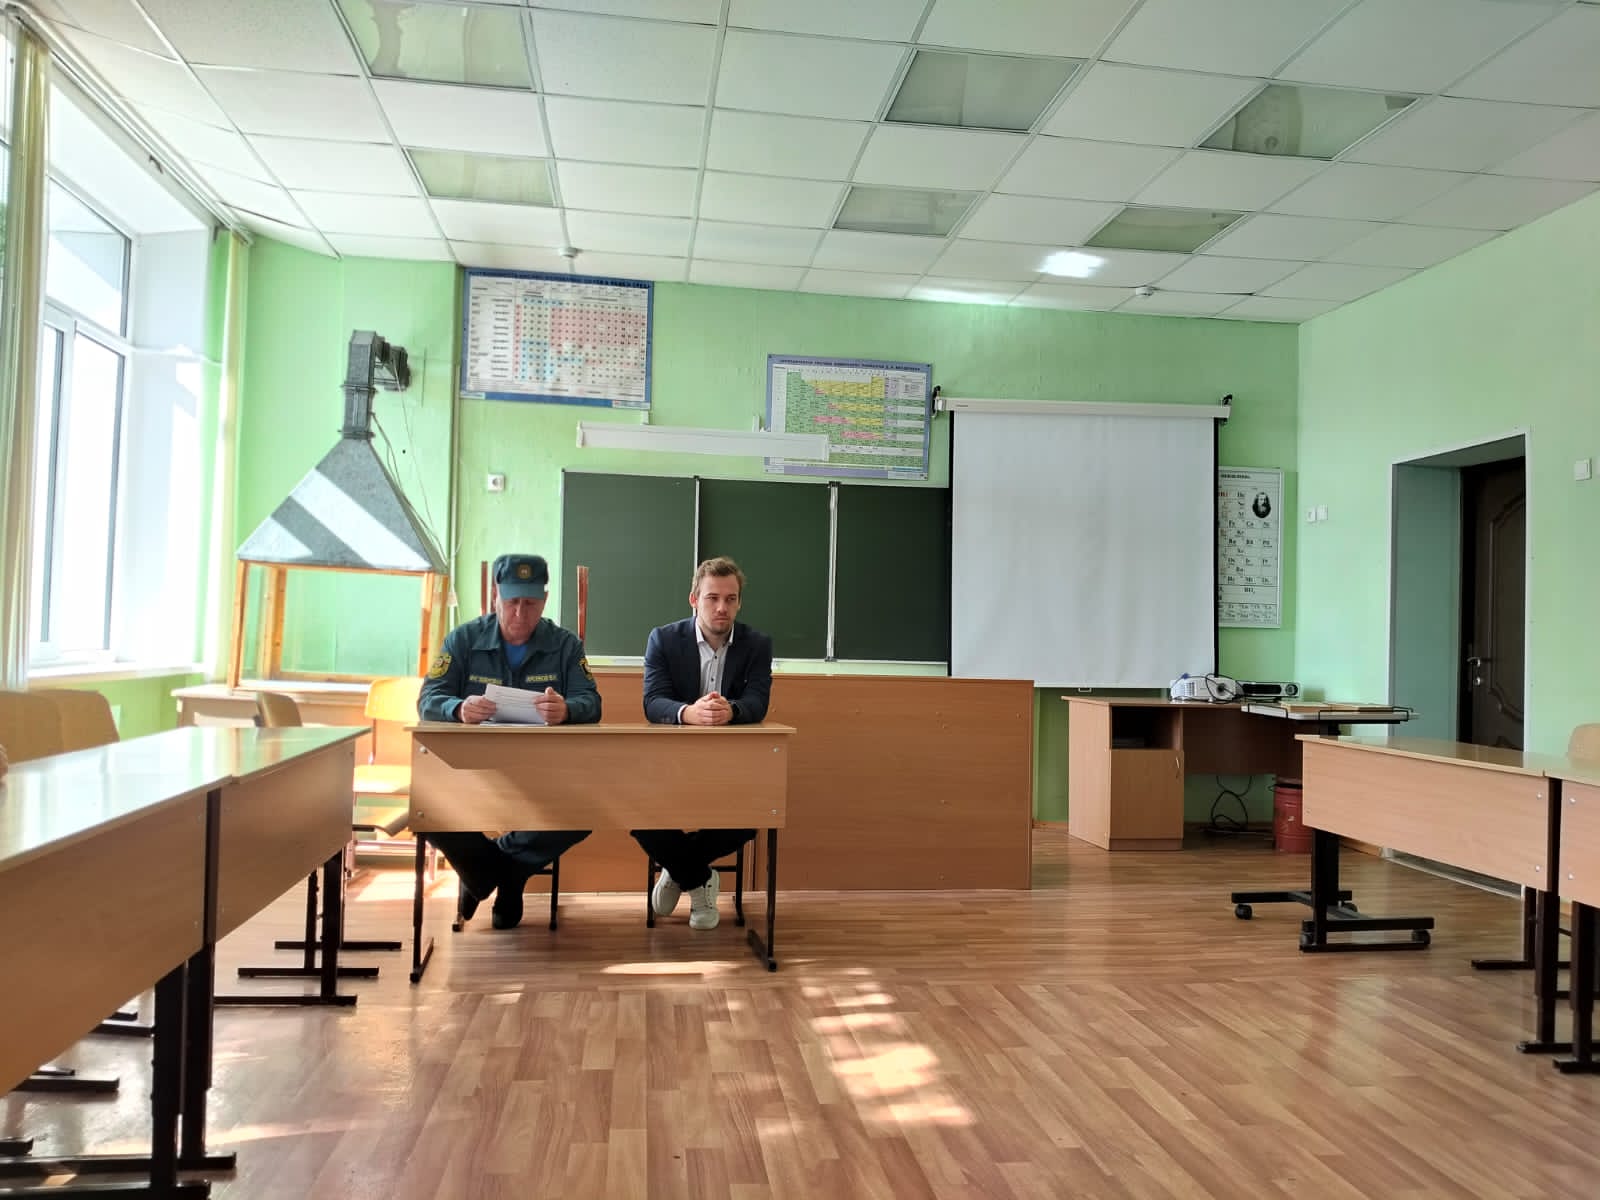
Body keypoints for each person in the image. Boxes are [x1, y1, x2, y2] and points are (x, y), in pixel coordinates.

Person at [418, 553, 600, 928]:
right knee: (425, 810)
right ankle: (504, 876)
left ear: (544, 601)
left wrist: (566, 710)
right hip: (473, 772)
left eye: (530, 603)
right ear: (495, 596)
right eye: (512, 601)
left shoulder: (565, 645)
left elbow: (592, 702)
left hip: (543, 773)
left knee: (585, 814)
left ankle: (489, 873)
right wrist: (458, 708)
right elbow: (428, 699)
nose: (520, 612)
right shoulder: (464, 639)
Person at [634, 556, 772, 931]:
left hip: (730, 767)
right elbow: (653, 702)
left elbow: (758, 701)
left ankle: (678, 869)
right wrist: (687, 713)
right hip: (670, 763)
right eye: (712, 598)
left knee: (753, 815)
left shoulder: (757, 644)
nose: (722, 607)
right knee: (637, 813)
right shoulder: (663, 639)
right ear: (694, 599)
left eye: (730, 599)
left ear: (739, 602)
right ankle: (698, 878)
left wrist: (733, 710)